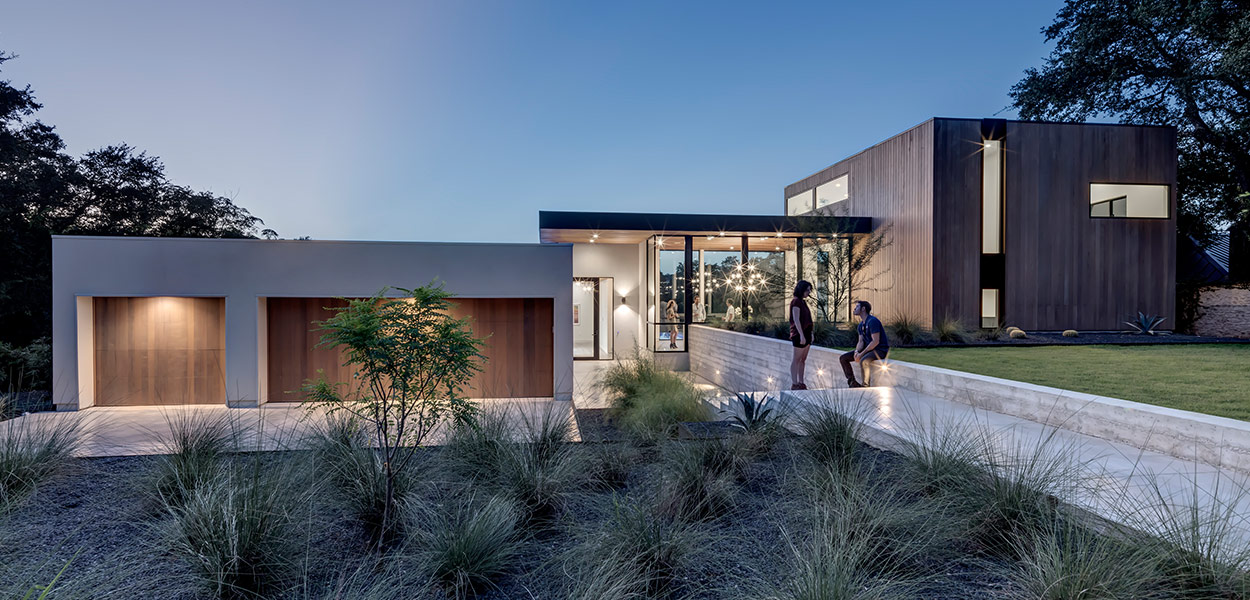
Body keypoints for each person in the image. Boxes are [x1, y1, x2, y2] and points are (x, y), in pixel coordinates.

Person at [840, 300, 890, 388]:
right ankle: (852, 383)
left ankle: (865, 386)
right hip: (868, 350)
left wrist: (861, 354)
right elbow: (861, 341)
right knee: (843, 358)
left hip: (879, 350)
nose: (854, 309)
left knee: (864, 361)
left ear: (863, 309)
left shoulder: (872, 321)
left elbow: (875, 341)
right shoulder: (860, 325)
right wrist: (856, 352)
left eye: (857, 307)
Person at [789, 280, 815, 390]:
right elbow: (796, 319)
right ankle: (795, 383)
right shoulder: (796, 302)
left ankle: (801, 382)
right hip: (799, 333)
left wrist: (811, 333)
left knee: (803, 360)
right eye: (807, 290)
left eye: (809, 290)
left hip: (807, 332)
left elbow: (808, 319)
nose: (808, 293)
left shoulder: (803, 302)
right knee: (796, 359)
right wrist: (801, 335)